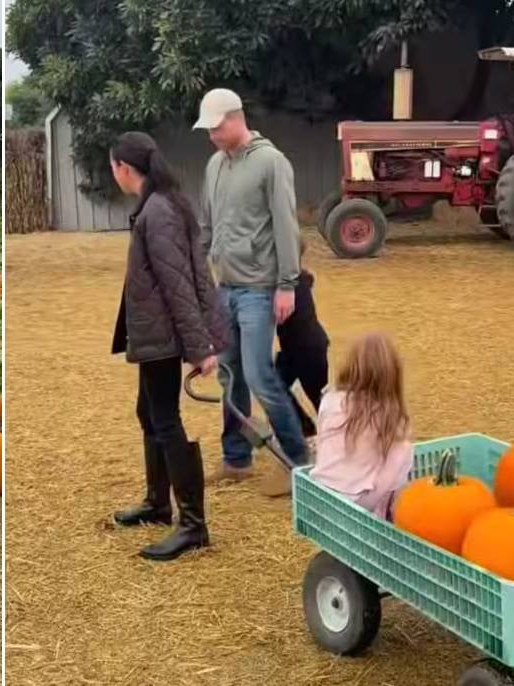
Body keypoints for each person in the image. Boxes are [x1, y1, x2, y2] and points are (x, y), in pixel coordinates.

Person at [108, 131, 226, 562]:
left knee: (165, 418)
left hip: (164, 336)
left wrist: (200, 346)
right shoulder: (162, 204)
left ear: (123, 167)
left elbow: (182, 286)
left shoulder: (158, 212)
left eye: (112, 166)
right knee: (149, 412)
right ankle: (157, 502)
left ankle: (193, 525)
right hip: (156, 333)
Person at [193, 87, 310, 497]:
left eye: (215, 128)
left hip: (260, 289)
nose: (211, 136)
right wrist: (198, 273)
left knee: (260, 375)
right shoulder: (214, 165)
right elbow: (206, 224)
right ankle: (236, 459)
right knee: (230, 376)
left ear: (234, 118)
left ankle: (299, 464)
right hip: (225, 288)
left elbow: (285, 225)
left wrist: (286, 285)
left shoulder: (270, 162)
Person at [309, 333, 414, 520]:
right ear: (393, 373)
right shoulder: (392, 417)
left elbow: (323, 445)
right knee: (403, 455)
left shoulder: (330, 399)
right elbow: (389, 480)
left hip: (319, 495)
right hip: (359, 505)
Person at [274, 239, 329, 442]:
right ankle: (305, 428)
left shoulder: (290, 283)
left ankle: (332, 437)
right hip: (295, 349)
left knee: (320, 400)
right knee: (272, 384)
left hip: (307, 350)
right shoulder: (299, 277)